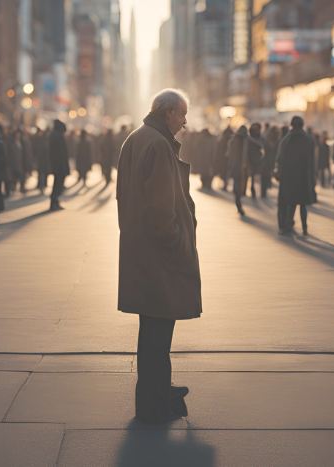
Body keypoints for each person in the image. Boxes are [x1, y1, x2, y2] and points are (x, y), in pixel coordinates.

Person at [117, 88, 201, 424]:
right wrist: (176, 241)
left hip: (141, 250)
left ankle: (157, 392)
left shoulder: (138, 138)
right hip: (158, 255)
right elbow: (161, 207)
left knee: (152, 330)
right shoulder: (158, 144)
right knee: (157, 332)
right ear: (168, 113)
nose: (184, 121)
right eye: (182, 113)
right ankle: (153, 406)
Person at [275, 116, 317, 235]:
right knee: (303, 203)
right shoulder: (309, 139)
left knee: (290, 202)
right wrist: (314, 176)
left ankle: (287, 224)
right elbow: (313, 160)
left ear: (291, 125)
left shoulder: (286, 140)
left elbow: (279, 158)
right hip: (304, 176)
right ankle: (304, 227)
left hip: (288, 176)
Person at [226, 126, 262, 216]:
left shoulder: (233, 140)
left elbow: (229, 155)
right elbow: (260, 147)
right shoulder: (246, 140)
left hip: (237, 167)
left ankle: (238, 202)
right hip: (243, 167)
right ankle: (239, 202)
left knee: (237, 186)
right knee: (239, 186)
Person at [48, 120, 69, 211]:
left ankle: (54, 201)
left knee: (57, 183)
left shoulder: (53, 135)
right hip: (60, 165)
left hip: (55, 164)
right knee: (58, 184)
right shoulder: (59, 136)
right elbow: (62, 153)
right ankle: (54, 201)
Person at [261, 125, 281, 198]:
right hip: (269, 161)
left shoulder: (271, 141)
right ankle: (264, 191)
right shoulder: (276, 142)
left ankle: (264, 191)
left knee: (266, 176)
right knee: (266, 176)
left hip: (268, 161)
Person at [215, 126, 233, 190]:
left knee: (224, 172)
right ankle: (225, 185)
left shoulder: (223, 139)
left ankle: (225, 185)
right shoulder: (231, 139)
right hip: (226, 159)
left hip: (224, 159)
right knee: (225, 172)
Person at [32, 128, 50, 192]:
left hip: (44, 160)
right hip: (40, 160)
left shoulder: (45, 139)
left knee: (44, 173)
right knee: (40, 173)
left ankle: (43, 184)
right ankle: (40, 185)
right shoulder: (37, 139)